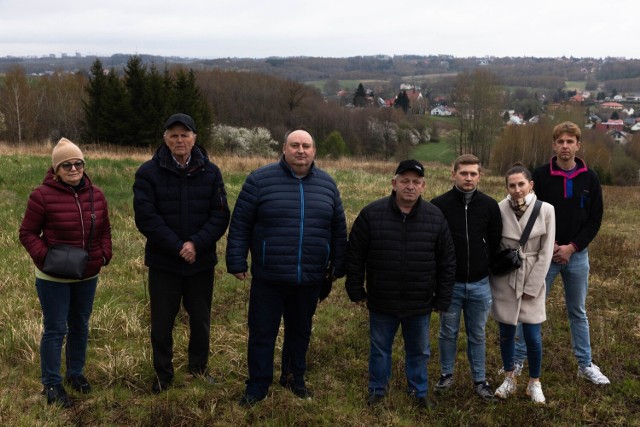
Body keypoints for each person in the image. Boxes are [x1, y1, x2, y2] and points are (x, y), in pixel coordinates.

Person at [226, 128, 347, 407]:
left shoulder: (327, 185)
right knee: (262, 332)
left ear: (314, 151)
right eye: (295, 145)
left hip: (309, 276)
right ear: (284, 148)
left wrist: (338, 264)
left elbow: (338, 229)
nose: (300, 150)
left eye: (306, 145)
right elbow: (241, 223)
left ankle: (294, 378)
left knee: (300, 331)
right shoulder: (259, 180)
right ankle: (257, 385)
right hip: (269, 276)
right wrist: (236, 260)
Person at [345, 159, 456, 409]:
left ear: (423, 186)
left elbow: (447, 261)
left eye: (416, 182)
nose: (410, 186)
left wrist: (442, 297)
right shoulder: (371, 214)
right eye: (404, 181)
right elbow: (355, 255)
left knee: (419, 351)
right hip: (382, 299)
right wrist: (355, 288)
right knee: (380, 348)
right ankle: (377, 389)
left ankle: (418, 390)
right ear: (394, 183)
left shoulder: (435, 217)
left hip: (420, 301)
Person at [133, 113, 230, 393]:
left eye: (184, 135)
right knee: (162, 323)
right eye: (173, 135)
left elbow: (220, 214)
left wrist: (196, 244)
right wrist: (178, 246)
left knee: (200, 320)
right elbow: (146, 218)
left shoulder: (210, 172)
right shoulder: (148, 173)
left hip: (201, 263)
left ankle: (198, 369)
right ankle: (163, 375)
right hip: (165, 263)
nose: (179, 140)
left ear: (194, 138)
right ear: (165, 139)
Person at [513, 121, 610, 385]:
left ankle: (585, 363)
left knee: (577, 310)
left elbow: (595, 219)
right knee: (530, 307)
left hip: (577, 256)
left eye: (570, 142)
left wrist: (571, 247)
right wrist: (552, 245)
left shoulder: (590, 178)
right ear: (554, 145)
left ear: (578, 145)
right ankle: (518, 361)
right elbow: (531, 213)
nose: (565, 146)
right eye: (561, 142)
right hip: (545, 255)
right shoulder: (541, 175)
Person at [19, 138, 112, 408]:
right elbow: (27, 233)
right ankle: (51, 383)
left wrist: (105, 253)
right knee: (56, 328)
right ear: (56, 170)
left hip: (87, 275)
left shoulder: (97, 194)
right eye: (67, 165)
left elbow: (105, 229)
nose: (73, 169)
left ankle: (75, 374)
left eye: (78, 163)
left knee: (80, 325)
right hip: (53, 278)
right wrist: (45, 258)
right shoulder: (41, 196)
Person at [430, 154, 502, 401]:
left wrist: (487, 268)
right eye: (464, 173)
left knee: (478, 333)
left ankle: (480, 380)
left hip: (480, 284)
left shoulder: (490, 206)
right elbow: (433, 245)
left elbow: (495, 242)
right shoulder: (438, 205)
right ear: (454, 175)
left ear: (479, 176)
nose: (468, 178)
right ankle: (446, 375)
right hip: (450, 284)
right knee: (448, 332)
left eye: (473, 173)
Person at [491, 165, 555, 404]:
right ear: (506, 187)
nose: (517, 190)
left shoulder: (546, 210)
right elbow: (495, 244)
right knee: (506, 332)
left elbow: (546, 252)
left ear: (531, 184)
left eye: (521, 184)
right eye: (512, 185)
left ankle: (534, 382)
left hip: (532, 277)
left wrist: (532, 286)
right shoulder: (499, 208)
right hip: (505, 278)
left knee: (532, 336)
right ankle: (509, 377)